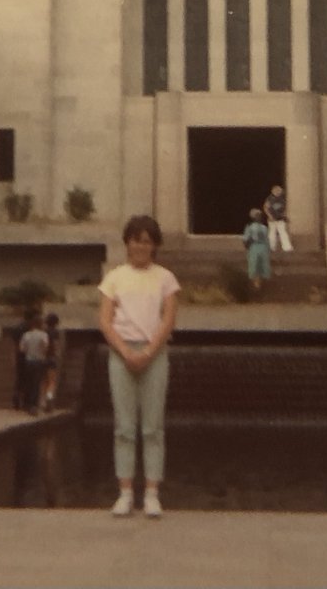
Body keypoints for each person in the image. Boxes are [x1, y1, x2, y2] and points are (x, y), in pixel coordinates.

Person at [98, 214, 180, 519]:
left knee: (153, 427)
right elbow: (105, 321)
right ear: (127, 243)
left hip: (154, 354)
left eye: (147, 240)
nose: (140, 246)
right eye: (136, 239)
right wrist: (125, 351)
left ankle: (152, 494)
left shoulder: (166, 278)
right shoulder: (114, 277)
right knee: (124, 427)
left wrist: (147, 352)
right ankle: (125, 492)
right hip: (121, 354)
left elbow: (169, 318)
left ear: (154, 245)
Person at [18, 312, 50, 415]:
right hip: (39, 361)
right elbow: (45, 348)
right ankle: (34, 406)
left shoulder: (26, 335)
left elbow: (22, 349)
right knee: (36, 384)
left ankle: (26, 404)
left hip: (28, 361)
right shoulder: (44, 335)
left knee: (29, 382)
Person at [242, 207, 271, 290]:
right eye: (256, 215)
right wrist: (247, 246)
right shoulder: (250, 227)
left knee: (262, 265)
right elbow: (246, 239)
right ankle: (256, 283)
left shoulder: (264, 228)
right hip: (254, 247)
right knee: (254, 264)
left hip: (263, 247)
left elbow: (266, 239)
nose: (258, 217)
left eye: (259, 215)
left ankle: (260, 283)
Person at [263, 184, 293, 253]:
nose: (278, 192)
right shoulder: (269, 199)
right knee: (272, 233)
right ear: (273, 191)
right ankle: (271, 247)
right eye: (277, 191)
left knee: (283, 232)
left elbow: (285, 209)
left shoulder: (282, 199)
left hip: (280, 219)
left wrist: (285, 216)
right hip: (272, 220)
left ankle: (287, 247)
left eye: (279, 191)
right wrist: (270, 216)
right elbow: (265, 208)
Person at [42, 312, 62, 410]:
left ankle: (43, 401)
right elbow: (55, 344)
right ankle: (49, 400)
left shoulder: (43, 331)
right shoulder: (55, 332)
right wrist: (57, 354)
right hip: (51, 358)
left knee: (44, 382)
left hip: (42, 358)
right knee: (52, 382)